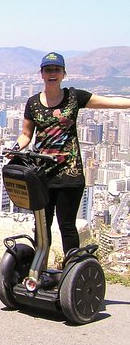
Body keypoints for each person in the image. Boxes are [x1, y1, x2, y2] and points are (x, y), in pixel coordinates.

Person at [13, 52, 130, 254]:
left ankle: (70, 271)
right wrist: (15, 149)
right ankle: (37, 268)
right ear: (41, 73)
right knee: (41, 226)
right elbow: (26, 135)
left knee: (66, 226)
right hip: (41, 174)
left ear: (63, 74)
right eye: (48, 69)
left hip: (70, 174)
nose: (52, 73)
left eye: (56, 70)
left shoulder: (74, 97)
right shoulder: (32, 103)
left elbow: (109, 101)